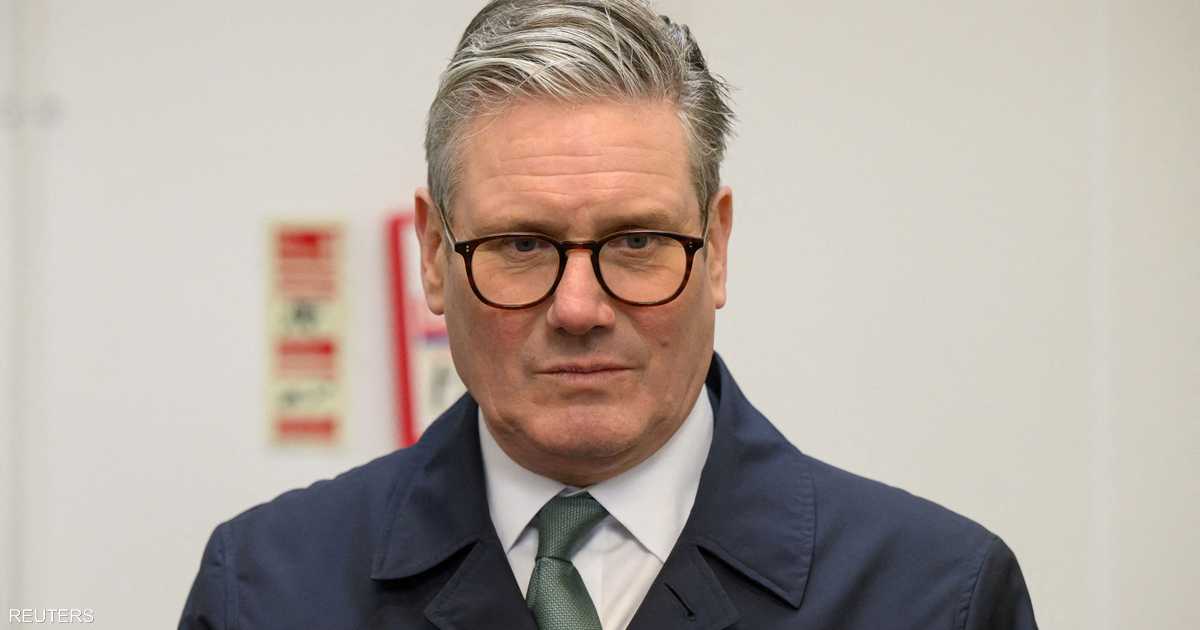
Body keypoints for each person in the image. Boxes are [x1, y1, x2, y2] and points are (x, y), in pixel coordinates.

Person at [179, 1, 1038, 628]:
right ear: (436, 256)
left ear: (717, 248)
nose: (579, 308)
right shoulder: (264, 591)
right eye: (521, 244)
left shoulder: (936, 596)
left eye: (637, 242)